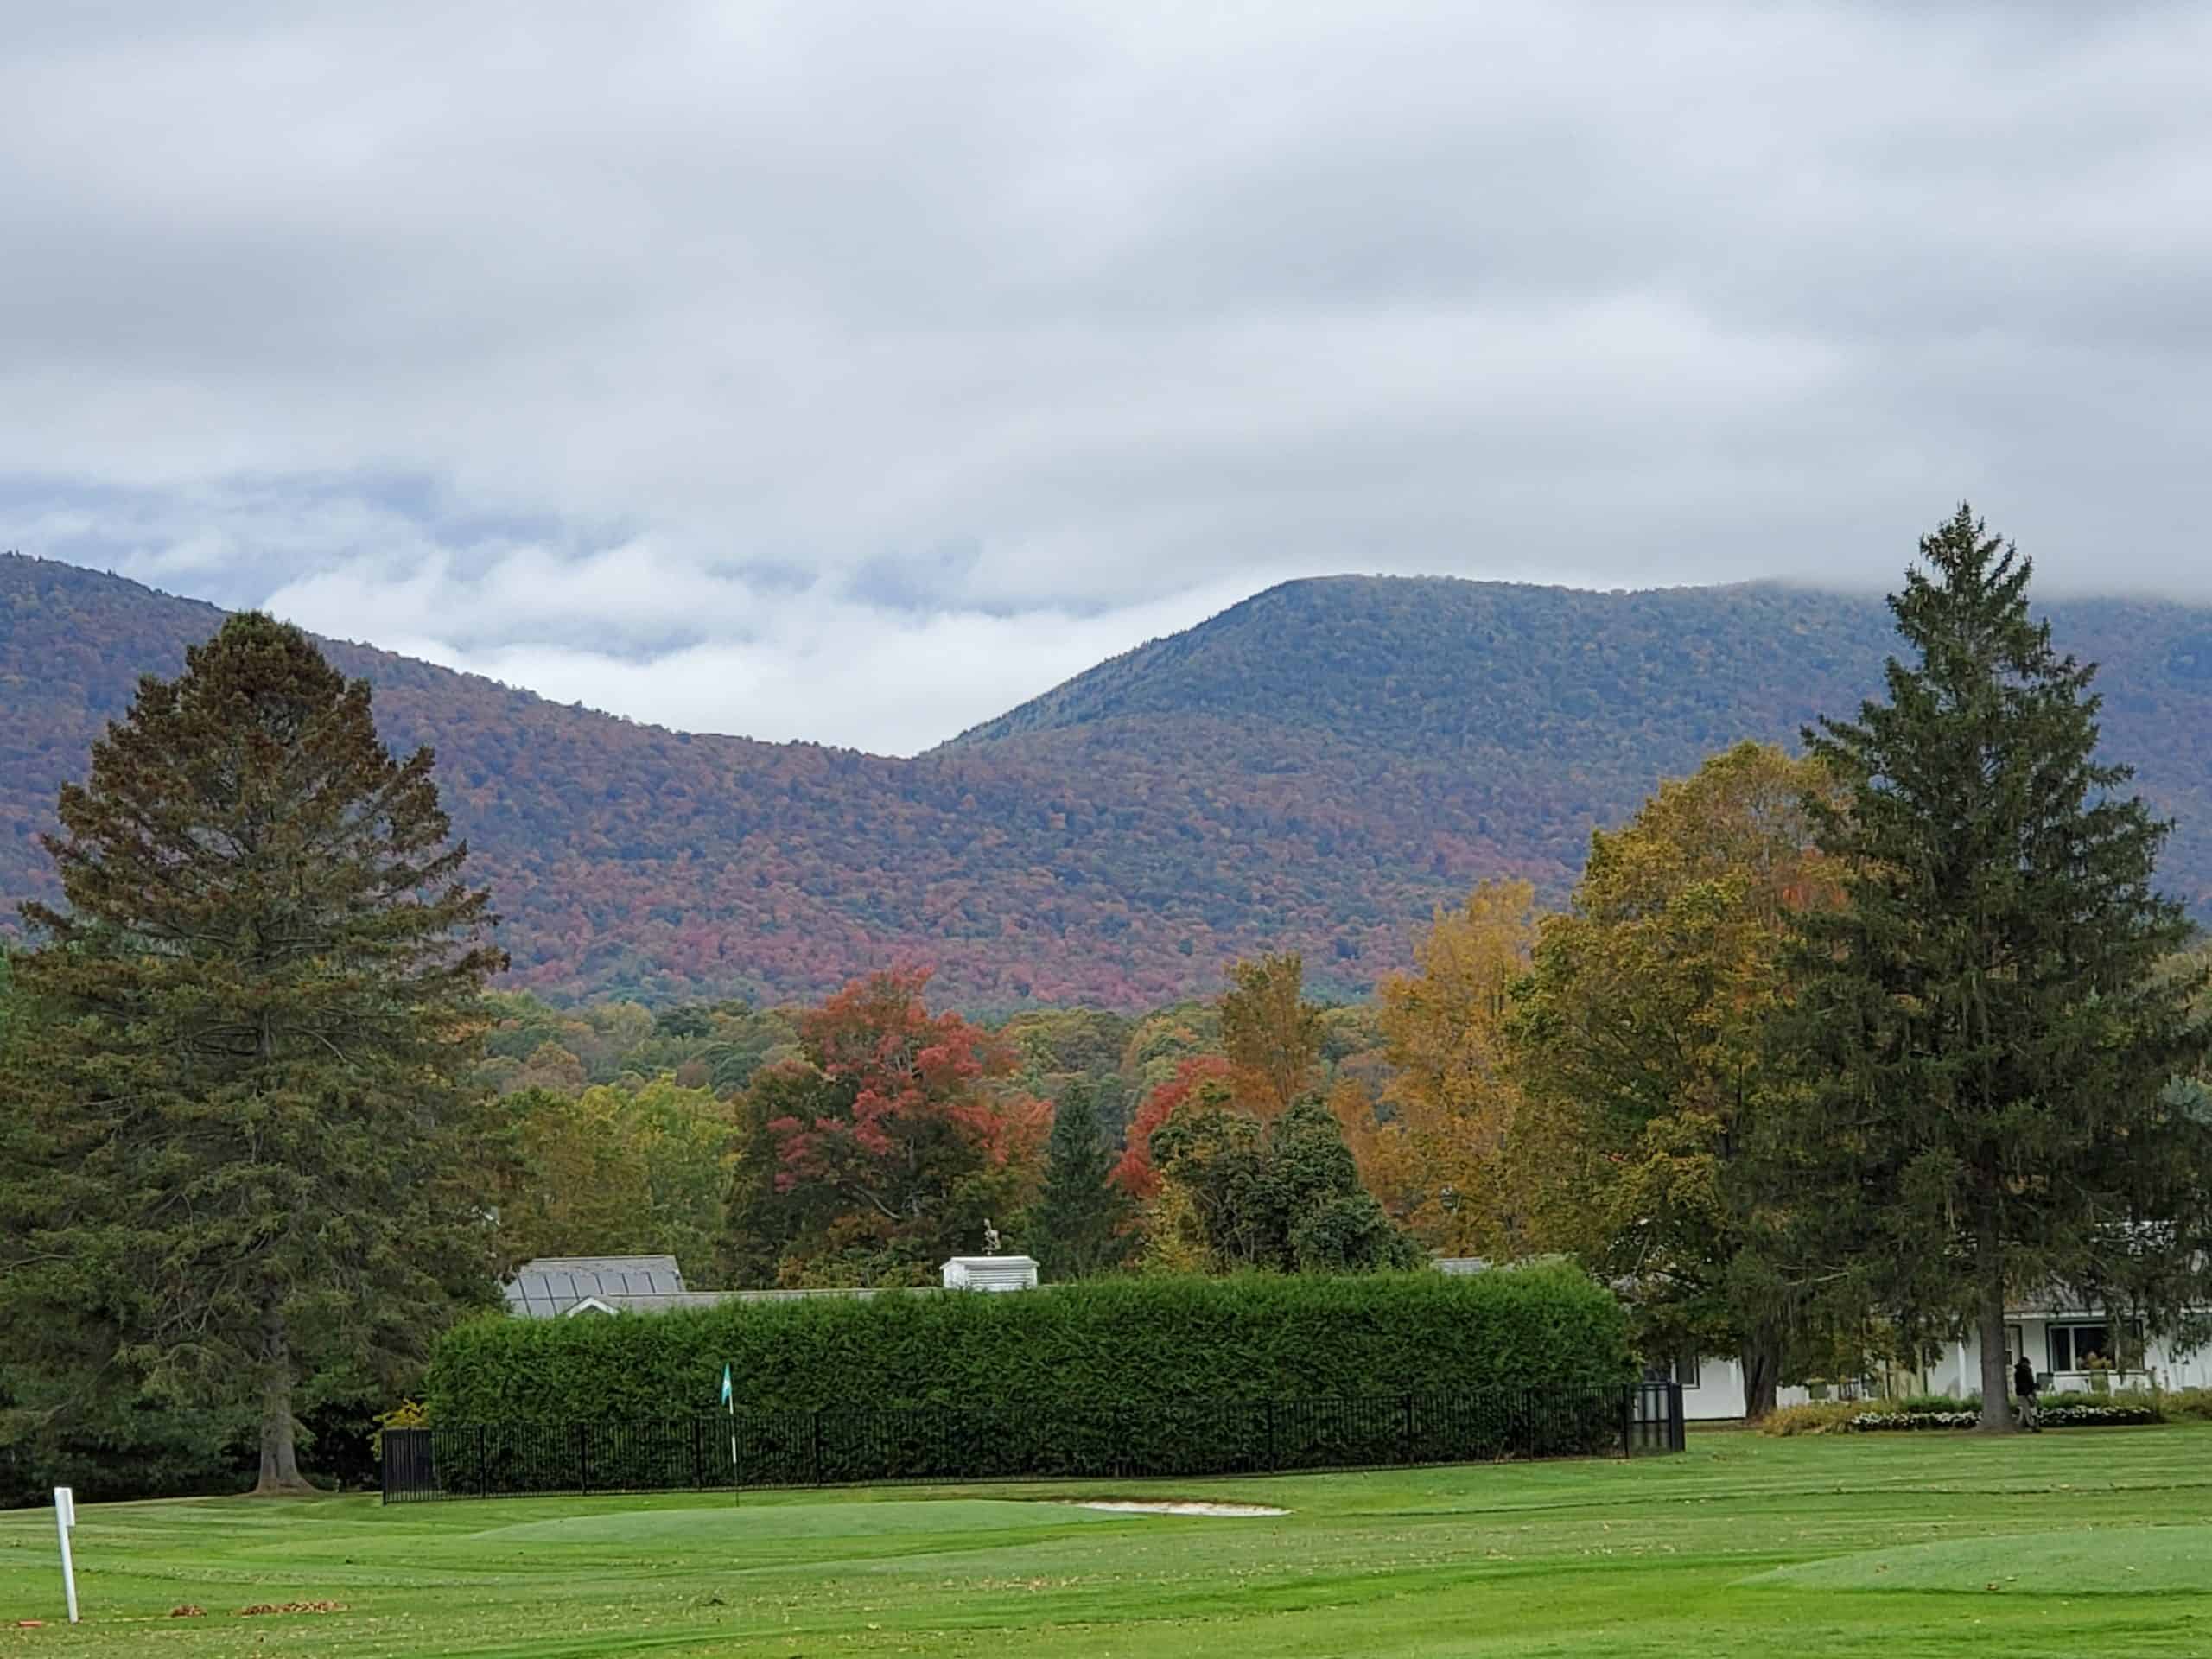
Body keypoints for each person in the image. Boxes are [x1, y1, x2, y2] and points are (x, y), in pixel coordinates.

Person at [2013, 1352, 2041, 1432]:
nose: (2028, 1365)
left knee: (2024, 1411)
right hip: (2023, 1394)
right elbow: (2022, 1385)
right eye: (2027, 1364)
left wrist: (2035, 1387)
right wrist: (2028, 1394)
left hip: (2028, 1393)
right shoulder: (2019, 1373)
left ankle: (2018, 1425)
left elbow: (2030, 1383)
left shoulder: (2028, 1372)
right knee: (2027, 1410)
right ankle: (2033, 1426)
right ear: (2023, 1364)